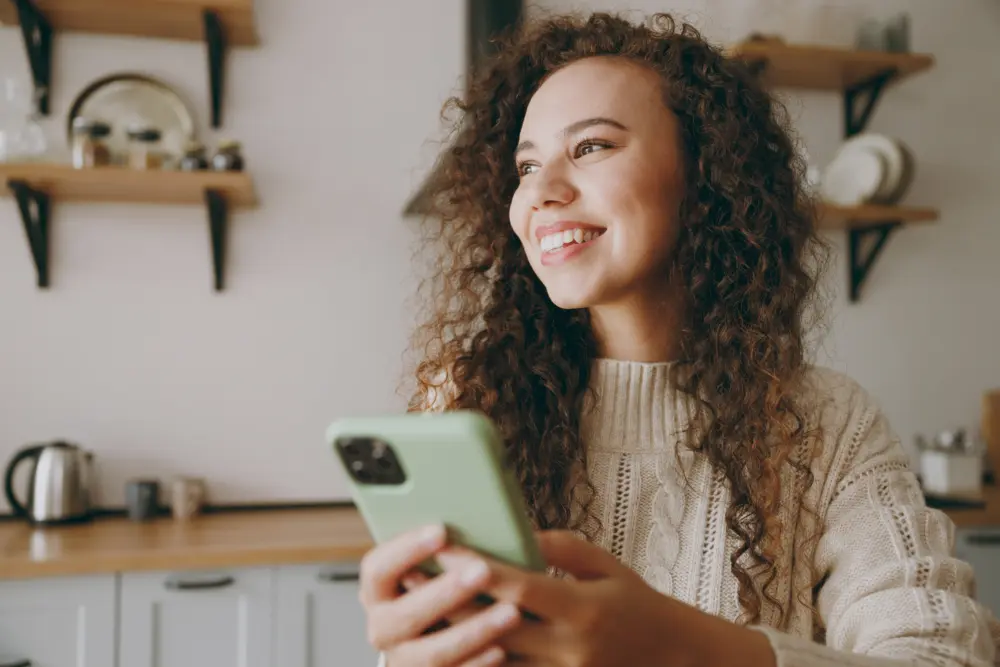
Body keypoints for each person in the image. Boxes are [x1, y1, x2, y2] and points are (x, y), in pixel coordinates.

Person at [359, 11, 1000, 667]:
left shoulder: (828, 426)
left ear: (704, 176)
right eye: (526, 167)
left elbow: (945, 657)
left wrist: (681, 644)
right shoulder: (474, 408)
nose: (541, 193)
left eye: (591, 148)